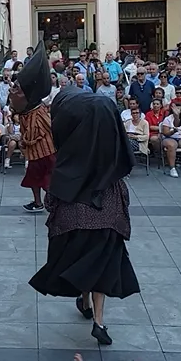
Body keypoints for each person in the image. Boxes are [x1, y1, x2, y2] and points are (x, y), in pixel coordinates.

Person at [29, 87, 140, 346]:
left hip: (76, 222)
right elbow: (122, 192)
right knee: (100, 265)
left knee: (84, 261)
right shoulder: (110, 163)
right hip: (106, 221)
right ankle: (98, 320)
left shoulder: (69, 163)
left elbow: (52, 198)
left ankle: (87, 303)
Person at [11, 42, 57, 213]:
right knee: (33, 178)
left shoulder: (40, 112)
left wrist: (27, 140)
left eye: (17, 89)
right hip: (34, 153)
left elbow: (50, 129)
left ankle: (54, 203)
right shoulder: (25, 113)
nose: (12, 93)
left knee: (48, 180)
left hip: (46, 152)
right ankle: (38, 203)